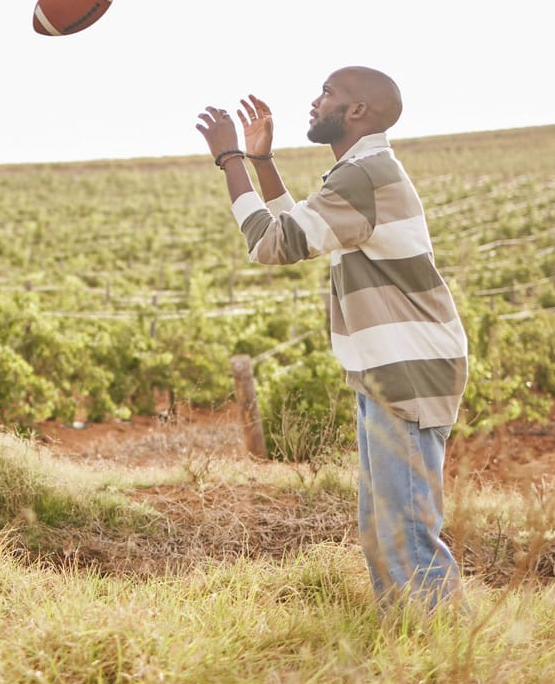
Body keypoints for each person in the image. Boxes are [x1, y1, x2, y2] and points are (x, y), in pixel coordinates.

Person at [195, 67, 466, 610]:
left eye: (328, 93)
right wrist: (263, 162)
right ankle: (407, 642)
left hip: (408, 369)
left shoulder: (363, 175)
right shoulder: (359, 174)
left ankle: (442, 652)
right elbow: (301, 226)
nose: (316, 102)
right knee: (382, 526)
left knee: (405, 530)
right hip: (389, 369)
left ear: (357, 111)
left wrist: (230, 162)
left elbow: (272, 244)